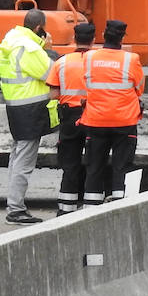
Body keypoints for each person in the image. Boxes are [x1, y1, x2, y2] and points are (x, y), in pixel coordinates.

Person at [0, 9, 58, 225]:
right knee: (24, 161)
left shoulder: (11, 40)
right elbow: (51, 73)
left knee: (16, 158)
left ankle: (14, 205)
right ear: (40, 28)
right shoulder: (30, 48)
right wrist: (48, 50)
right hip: (30, 110)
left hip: (16, 107)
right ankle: (15, 209)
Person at [80, 18, 146, 205]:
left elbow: (86, 83)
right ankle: (120, 204)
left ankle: (90, 207)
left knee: (94, 167)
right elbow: (139, 88)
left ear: (102, 36)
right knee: (122, 166)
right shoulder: (131, 59)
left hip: (96, 120)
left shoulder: (89, 57)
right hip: (124, 122)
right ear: (122, 38)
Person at [45, 20, 96, 216]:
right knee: (94, 162)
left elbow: (53, 94)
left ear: (74, 39)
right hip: (93, 115)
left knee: (70, 163)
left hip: (69, 117)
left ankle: (66, 210)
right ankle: (91, 207)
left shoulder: (62, 62)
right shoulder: (97, 61)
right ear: (93, 40)